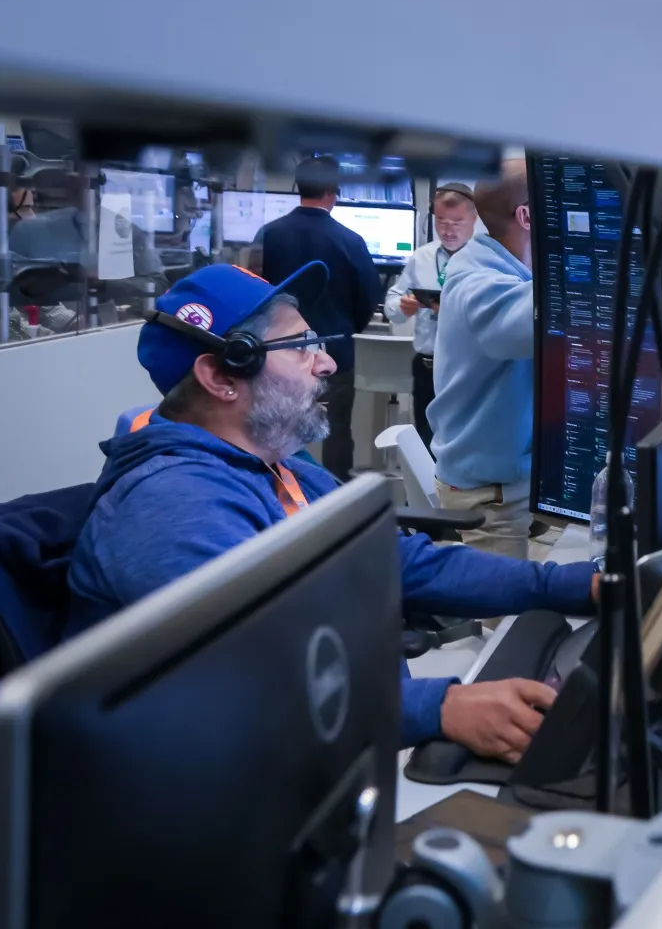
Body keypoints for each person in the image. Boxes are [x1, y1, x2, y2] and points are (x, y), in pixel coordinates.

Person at [66, 262, 593, 762]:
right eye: (300, 348)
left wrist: (569, 585)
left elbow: (405, 562)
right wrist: (442, 708)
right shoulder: (174, 507)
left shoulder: (279, 466)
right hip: (241, 795)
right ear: (222, 378)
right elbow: (250, 679)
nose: (328, 362)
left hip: (347, 739)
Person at [429, 162, 543, 558]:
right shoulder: (477, 284)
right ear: (527, 216)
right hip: (488, 499)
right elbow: (537, 320)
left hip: (514, 482)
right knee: (502, 620)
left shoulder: (500, 267)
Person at [257, 157, 380, 480]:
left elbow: (254, 292)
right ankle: (338, 496)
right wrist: (344, 328)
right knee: (336, 428)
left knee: (276, 427)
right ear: (332, 190)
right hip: (334, 352)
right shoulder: (350, 241)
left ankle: (281, 493)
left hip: (277, 352)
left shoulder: (269, 234)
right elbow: (368, 298)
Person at [384, 184, 483, 447]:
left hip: (467, 368)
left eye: (457, 222)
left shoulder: (486, 260)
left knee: (461, 444)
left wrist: (454, 311)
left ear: (474, 218)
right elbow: (392, 304)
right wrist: (401, 306)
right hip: (427, 367)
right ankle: (425, 490)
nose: (448, 230)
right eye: (441, 221)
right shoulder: (421, 257)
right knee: (425, 442)